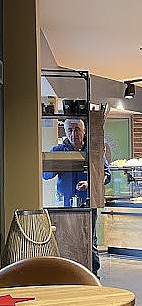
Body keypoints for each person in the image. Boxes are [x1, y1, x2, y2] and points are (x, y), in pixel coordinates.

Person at [43, 118, 110, 276]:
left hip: (88, 203)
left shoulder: (93, 151)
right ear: (65, 132)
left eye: (77, 129)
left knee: (89, 239)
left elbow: (106, 175)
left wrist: (90, 183)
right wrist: (58, 164)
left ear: (84, 131)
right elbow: (45, 175)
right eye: (70, 130)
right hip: (65, 204)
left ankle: (93, 274)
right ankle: (68, 274)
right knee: (65, 239)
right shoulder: (58, 151)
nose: (74, 134)